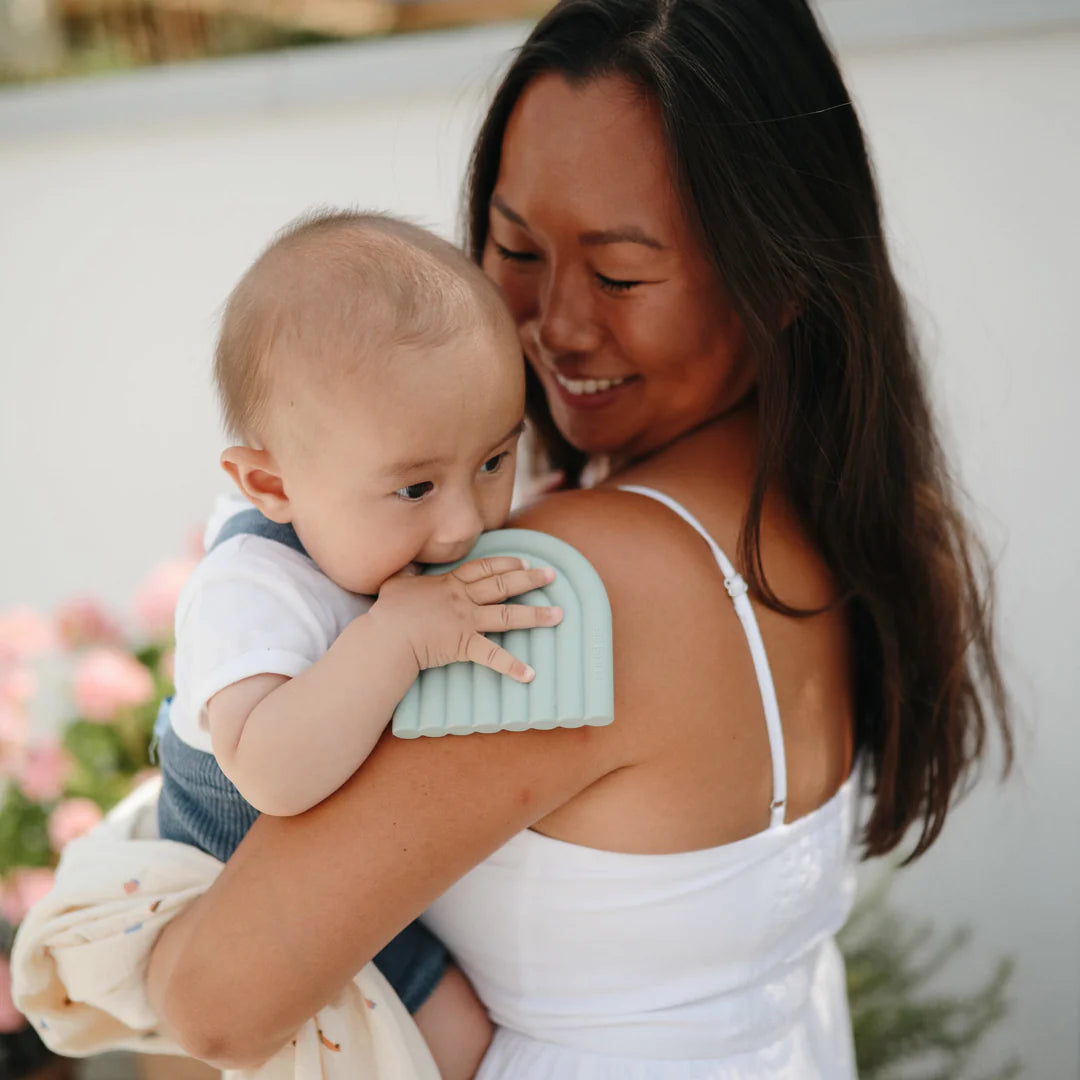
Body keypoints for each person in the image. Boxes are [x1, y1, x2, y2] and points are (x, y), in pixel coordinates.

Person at [145, 1, 1012, 1076]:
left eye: (620, 275)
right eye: (514, 249)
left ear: (783, 274)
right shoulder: (839, 515)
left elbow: (214, 1003)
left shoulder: (562, 593)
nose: (552, 323)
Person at [155, 210, 565, 1079]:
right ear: (272, 484)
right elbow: (272, 772)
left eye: (495, 460)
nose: (464, 522)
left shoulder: (378, 514)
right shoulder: (251, 594)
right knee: (461, 1046)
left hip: (352, 876)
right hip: (248, 895)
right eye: (416, 486)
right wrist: (395, 641)